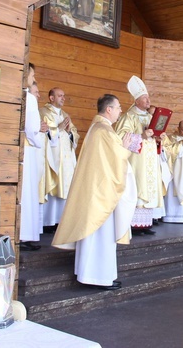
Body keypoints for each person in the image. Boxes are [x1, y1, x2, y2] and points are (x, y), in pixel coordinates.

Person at [52, 94, 137, 290]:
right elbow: (115, 159)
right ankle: (97, 276)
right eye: (117, 107)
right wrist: (124, 149)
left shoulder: (99, 128)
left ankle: (97, 275)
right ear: (108, 109)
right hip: (102, 194)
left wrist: (122, 149)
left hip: (98, 190)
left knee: (97, 235)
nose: (120, 111)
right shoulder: (103, 131)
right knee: (101, 235)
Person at [114, 76, 163, 235]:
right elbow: (120, 137)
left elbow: (155, 136)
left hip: (149, 159)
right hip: (136, 161)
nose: (149, 101)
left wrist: (158, 138)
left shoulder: (150, 117)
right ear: (136, 101)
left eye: (148, 98)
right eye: (145, 98)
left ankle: (145, 224)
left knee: (147, 188)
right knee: (137, 187)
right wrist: (141, 136)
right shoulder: (128, 117)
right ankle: (132, 224)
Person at [39, 87, 80, 232]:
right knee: (55, 184)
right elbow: (43, 134)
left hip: (67, 158)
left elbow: (74, 134)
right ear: (51, 98)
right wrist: (59, 128)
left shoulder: (65, 114)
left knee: (66, 186)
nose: (63, 98)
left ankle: (60, 221)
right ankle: (49, 221)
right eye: (60, 96)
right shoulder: (43, 112)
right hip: (54, 157)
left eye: (64, 95)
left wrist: (69, 132)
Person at [19, 66, 48, 251]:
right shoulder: (28, 98)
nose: (33, 77)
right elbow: (31, 129)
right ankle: (24, 235)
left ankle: (25, 234)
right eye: (32, 74)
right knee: (27, 192)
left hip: (24, 147)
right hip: (28, 150)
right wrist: (40, 136)